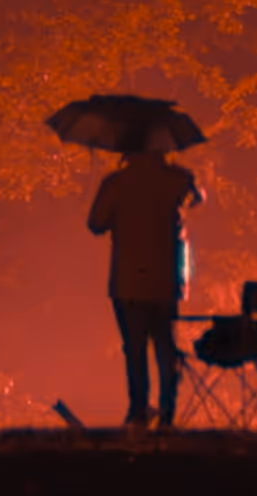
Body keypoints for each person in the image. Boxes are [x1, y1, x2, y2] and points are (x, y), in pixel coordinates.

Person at [85, 134, 198, 430]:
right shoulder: (178, 179)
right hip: (165, 279)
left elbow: (95, 223)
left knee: (134, 349)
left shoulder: (116, 183)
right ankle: (168, 412)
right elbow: (196, 198)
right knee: (165, 345)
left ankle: (137, 411)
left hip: (128, 280)